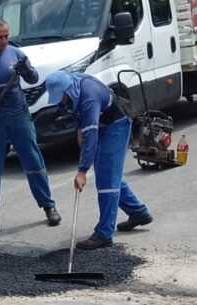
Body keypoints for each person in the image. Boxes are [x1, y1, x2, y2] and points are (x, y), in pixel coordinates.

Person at [0, 19, 61, 235]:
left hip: (19, 116)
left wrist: (26, 70)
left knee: (34, 162)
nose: (3, 40)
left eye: (6, 36)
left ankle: (49, 206)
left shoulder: (16, 54)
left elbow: (34, 78)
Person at [44, 71, 154, 250]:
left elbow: (91, 138)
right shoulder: (72, 86)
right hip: (104, 122)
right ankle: (138, 213)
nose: (61, 101)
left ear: (67, 90)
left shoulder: (89, 96)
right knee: (109, 174)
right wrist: (80, 129)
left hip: (116, 124)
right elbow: (76, 115)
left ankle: (104, 233)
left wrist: (82, 171)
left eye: (61, 96)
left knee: (106, 180)